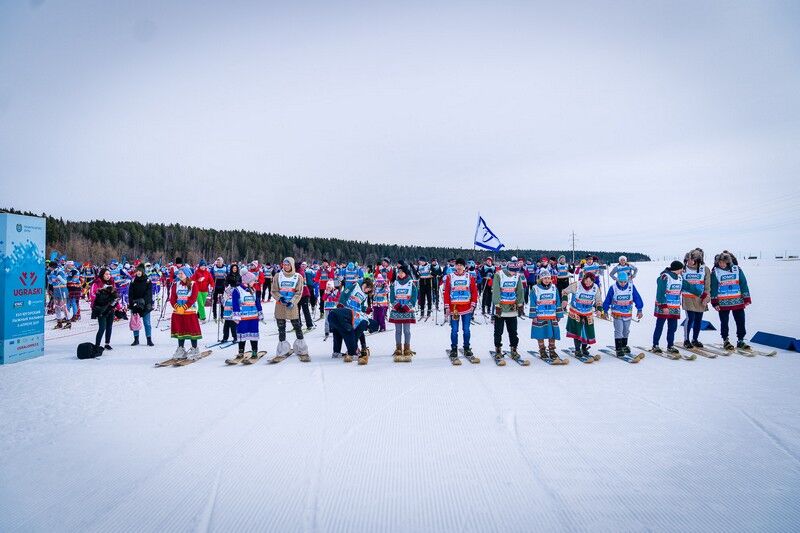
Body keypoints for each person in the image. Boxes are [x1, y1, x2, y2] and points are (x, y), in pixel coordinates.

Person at [652, 260, 705, 354]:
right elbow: (660, 292)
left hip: (674, 307)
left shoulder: (680, 278)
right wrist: (664, 306)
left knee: (673, 327)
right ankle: (655, 345)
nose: (682, 271)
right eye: (681, 269)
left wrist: (702, 294)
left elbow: (689, 287)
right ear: (677, 268)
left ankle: (670, 345)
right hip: (664, 306)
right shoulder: (665, 277)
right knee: (660, 326)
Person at [711, 251, 752, 350]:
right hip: (723, 302)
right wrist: (714, 302)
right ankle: (726, 340)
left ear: (728, 262)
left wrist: (746, 298)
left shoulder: (737, 269)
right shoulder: (715, 271)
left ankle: (741, 340)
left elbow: (743, 283)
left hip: (737, 301)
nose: (722, 264)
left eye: (723, 262)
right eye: (720, 262)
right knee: (724, 322)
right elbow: (713, 287)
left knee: (740, 321)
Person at [271, 257, 309, 360]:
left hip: (292, 306)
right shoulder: (278, 276)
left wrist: (292, 302)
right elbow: (274, 290)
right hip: (280, 306)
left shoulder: (298, 277)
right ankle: (283, 348)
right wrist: (280, 298)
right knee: (281, 328)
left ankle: (301, 348)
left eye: (288, 265)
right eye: (284, 264)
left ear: (292, 265)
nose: (286, 266)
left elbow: (299, 292)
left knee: (297, 326)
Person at [561, 271, 604, 357]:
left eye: (590, 282)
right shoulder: (577, 285)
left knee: (587, 331)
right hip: (576, 311)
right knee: (578, 331)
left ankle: (584, 348)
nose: (588, 283)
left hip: (588, 312)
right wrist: (565, 300)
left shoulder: (595, 287)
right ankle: (577, 349)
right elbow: (565, 291)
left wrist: (599, 309)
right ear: (584, 279)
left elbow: (598, 300)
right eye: (586, 281)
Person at [443, 258, 478, 361]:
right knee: (454, 330)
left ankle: (466, 347)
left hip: (466, 308)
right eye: (457, 265)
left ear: (464, 266)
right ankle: (454, 348)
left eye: (461, 265)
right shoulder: (450, 277)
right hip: (455, 308)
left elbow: (474, 292)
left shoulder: (469, 277)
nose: (458, 267)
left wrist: (473, 305)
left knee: (466, 330)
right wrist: (447, 307)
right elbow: (447, 293)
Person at [491, 258, 525, 362]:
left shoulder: (517, 276)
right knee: (498, 331)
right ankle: (498, 349)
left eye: (516, 271)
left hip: (512, 308)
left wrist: (520, 304)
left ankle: (514, 349)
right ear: (509, 268)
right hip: (501, 308)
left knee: (513, 331)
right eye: (513, 271)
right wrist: (497, 304)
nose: (514, 273)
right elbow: (496, 289)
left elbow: (520, 290)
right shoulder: (499, 275)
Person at [602, 271, 644, 356]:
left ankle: (624, 346)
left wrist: (639, 309)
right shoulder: (613, 288)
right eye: (621, 282)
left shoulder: (631, 287)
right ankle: (618, 348)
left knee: (626, 331)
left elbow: (637, 298)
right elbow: (607, 300)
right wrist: (605, 310)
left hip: (627, 313)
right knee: (619, 331)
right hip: (617, 313)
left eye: (625, 281)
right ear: (617, 280)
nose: (623, 283)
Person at [528, 270, 565, 362]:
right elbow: (532, 302)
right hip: (540, 315)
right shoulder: (535, 288)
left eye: (548, 278)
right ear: (541, 279)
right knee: (540, 333)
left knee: (552, 333)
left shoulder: (553, 288)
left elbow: (557, 301)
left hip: (551, 315)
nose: (547, 280)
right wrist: (534, 315)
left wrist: (559, 314)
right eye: (545, 278)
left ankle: (552, 350)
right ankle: (542, 350)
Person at [337, 277, 374, 362]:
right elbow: (344, 294)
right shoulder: (355, 285)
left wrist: (366, 309)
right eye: (368, 289)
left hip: (356, 313)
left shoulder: (364, 295)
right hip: (347, 311)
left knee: (359, 328)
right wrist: (341, 304)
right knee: (351, 331)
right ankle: (353, 348)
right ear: (366, 286)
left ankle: (362, 347)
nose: (368, 292)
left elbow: (361, 306)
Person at [169, 266, 203, 360]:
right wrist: (177, 307)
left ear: (187, 274)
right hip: (178, 312)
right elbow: (172, 298)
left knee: (192, 330)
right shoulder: (176, 284)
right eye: (178, 273)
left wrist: (184, 307)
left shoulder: (193, 284)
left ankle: (195, 349)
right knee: (180, 330)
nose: (179, 275)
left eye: (181, 273)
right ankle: (181, 349)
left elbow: (193, 298)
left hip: (189, 312)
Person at [681, 248, 711, 349]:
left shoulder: (705, 269)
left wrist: (706, 297)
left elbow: (707, 285)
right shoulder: (683, 269)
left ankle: (695, 339)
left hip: (700, 298)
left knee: (699, 319)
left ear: (698, 260)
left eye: (691, 259)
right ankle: (686, 339)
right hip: (688, 298)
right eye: (688, 259)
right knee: (690, 318)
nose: (689, 262)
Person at [389, 261, 418, 362]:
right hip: (397, 310)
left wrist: (407, 306)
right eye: (399, 272)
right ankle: (398, 348)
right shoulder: (395, 283)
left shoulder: (411, 283)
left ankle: (406, 348)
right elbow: (392, 296)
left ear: (406, 273)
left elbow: (414, 296)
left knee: (406, 330)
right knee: (398, 331)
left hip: (407, 310)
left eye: (402, 272)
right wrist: (396, 305)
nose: (400, 274)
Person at [232, 271, 264, 361]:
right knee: (242, 334)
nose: (254, 282)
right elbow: (235, 304)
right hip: (243, 318)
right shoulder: (237, 290)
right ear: (246, 281)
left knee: (253, 334)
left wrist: (260, 313)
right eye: (253, 281)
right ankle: (241, 352)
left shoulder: (253, 290)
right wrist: (236, 315)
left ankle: (254, 352)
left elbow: (257, 302)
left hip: (253, 317)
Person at [90, 268, 119, 350]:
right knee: (102, 327)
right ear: (102, 274)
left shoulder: (111, 282)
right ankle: (97, 345)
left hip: (110, 307)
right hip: (101, 308)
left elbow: (115, 295)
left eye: (109, 274)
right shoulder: (97, 282)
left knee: (109, 326)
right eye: (106, 274)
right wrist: (101, 293)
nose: (108, 276)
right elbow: (92, 294)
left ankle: (107, 343)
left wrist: (118, 306)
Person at [129, 264, 154, 346]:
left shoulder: (148, 281)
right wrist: (132, 303)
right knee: (135, 322)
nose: (138, 272)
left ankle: (149, 339)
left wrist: (143, 301)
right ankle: (136, 339)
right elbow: (130, 293)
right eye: (137, 271)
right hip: (135, 304)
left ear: (143, 271)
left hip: (145, 304)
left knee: (147, 323)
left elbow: (149, 293)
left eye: (140, 271)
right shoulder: (133, 281)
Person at [48, 261, 70, 329]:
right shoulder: (52, 272)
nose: (48, 268)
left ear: (52, 267)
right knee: (57, 307)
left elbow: (65, 282)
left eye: (49, 266)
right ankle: (59, 323)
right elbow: (51, 282)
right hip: (56, 290)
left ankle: (68, 322)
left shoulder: (60, 271)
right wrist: (49, 278)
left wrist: (59, 277)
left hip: (62, 290)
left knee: (63, 307)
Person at [297, 261, 315, 330]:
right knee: (297, 310)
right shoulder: (299, 272)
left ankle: (309, 324)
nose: (303, 266)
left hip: (304, 293)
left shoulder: (302, 272)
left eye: (304, 265)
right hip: (298, 294)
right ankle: (299, 324)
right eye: (302, 265)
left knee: (305, 309)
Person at [210, 257, 228, 321]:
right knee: (214, 301)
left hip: (222, 285)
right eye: (217, 262)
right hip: (215, 285)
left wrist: (226, 281)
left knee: (222, 301)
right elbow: (210, 276)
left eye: (220, 262)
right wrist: (212, 281)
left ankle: (222, 315)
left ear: (222, 262)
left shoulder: (225, 268)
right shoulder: (213, 268)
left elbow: (228, 276)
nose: (218, 263)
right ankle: (214, 315)